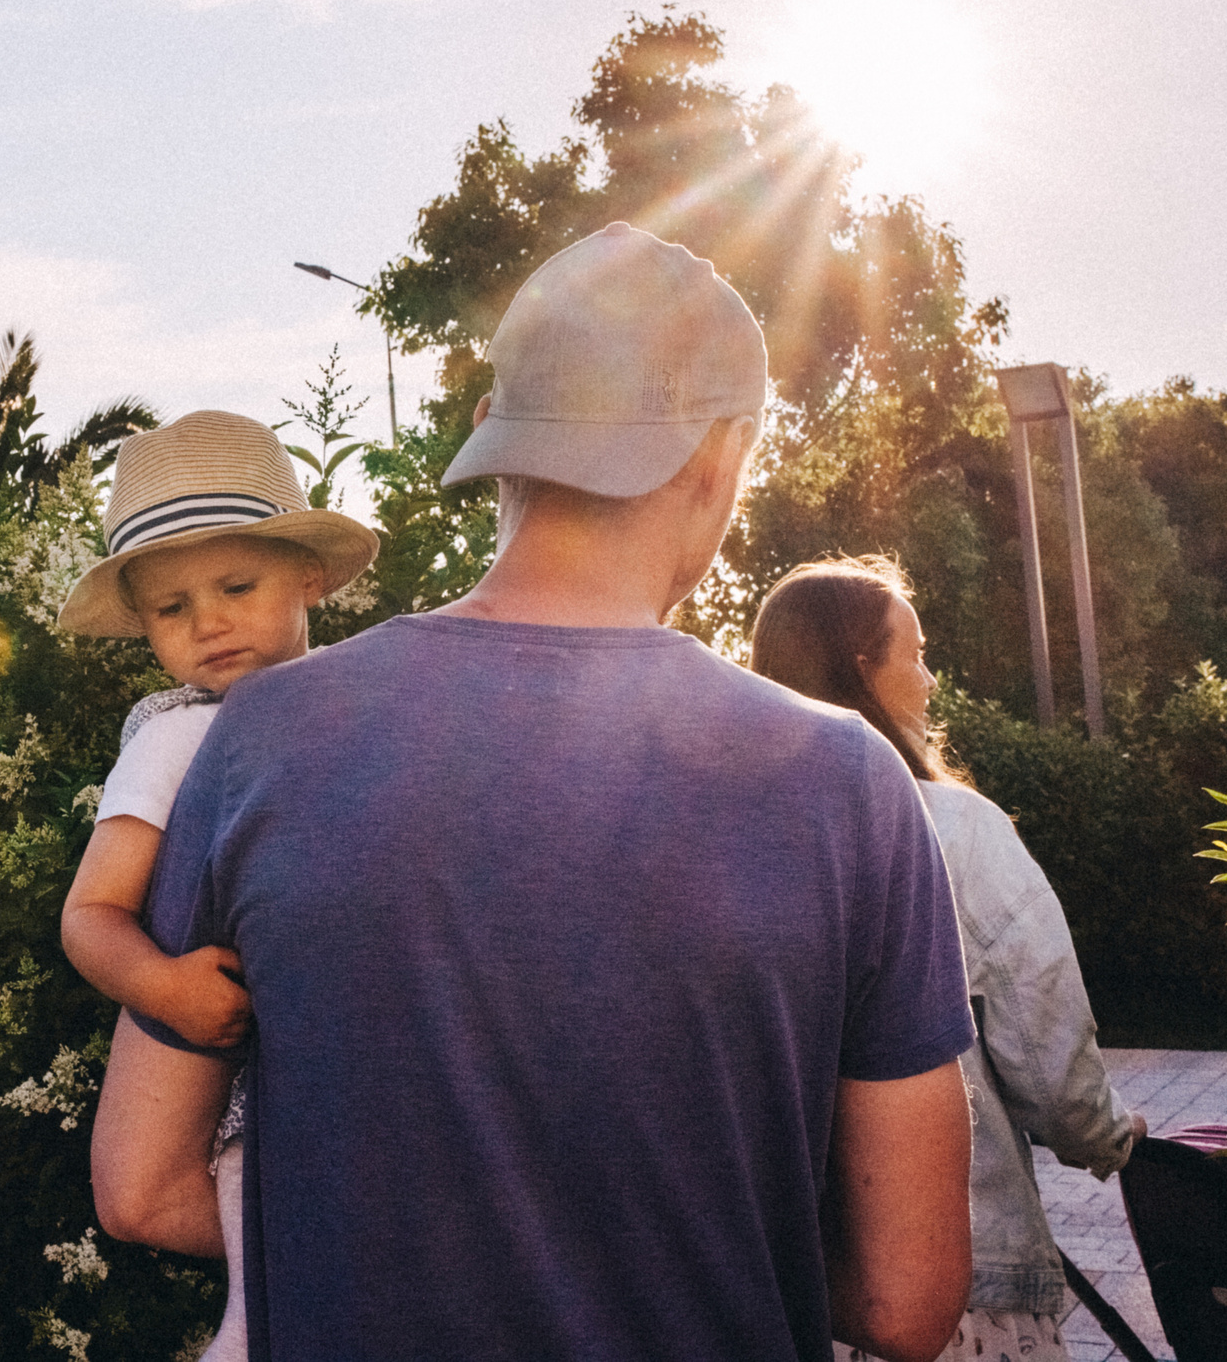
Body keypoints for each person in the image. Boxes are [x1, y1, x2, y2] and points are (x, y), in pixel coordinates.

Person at [91, 223, 976, 1362]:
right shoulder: (845, 782)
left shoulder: (259, 739)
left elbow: (138, 1186)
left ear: (487, 437)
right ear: (723, 455)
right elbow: (909, 1301)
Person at [750, 557, 1145, 1362]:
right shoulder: (956, 830)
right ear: (863, 668)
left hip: (784, 1291)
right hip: (959, 1298)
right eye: (916, 653)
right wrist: (1108, 1136)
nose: (930, 679)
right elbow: (1047, 1049)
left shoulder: (734, 835)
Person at [57, 408, 379, 1362]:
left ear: (307, 574)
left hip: (349, 1061)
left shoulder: (357, 705)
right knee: (267, 1315)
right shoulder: (177, 736)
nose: (208, 621)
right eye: (171, 607)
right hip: (243, 1082)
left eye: (236, 584)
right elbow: (89, 913)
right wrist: (165, 988)